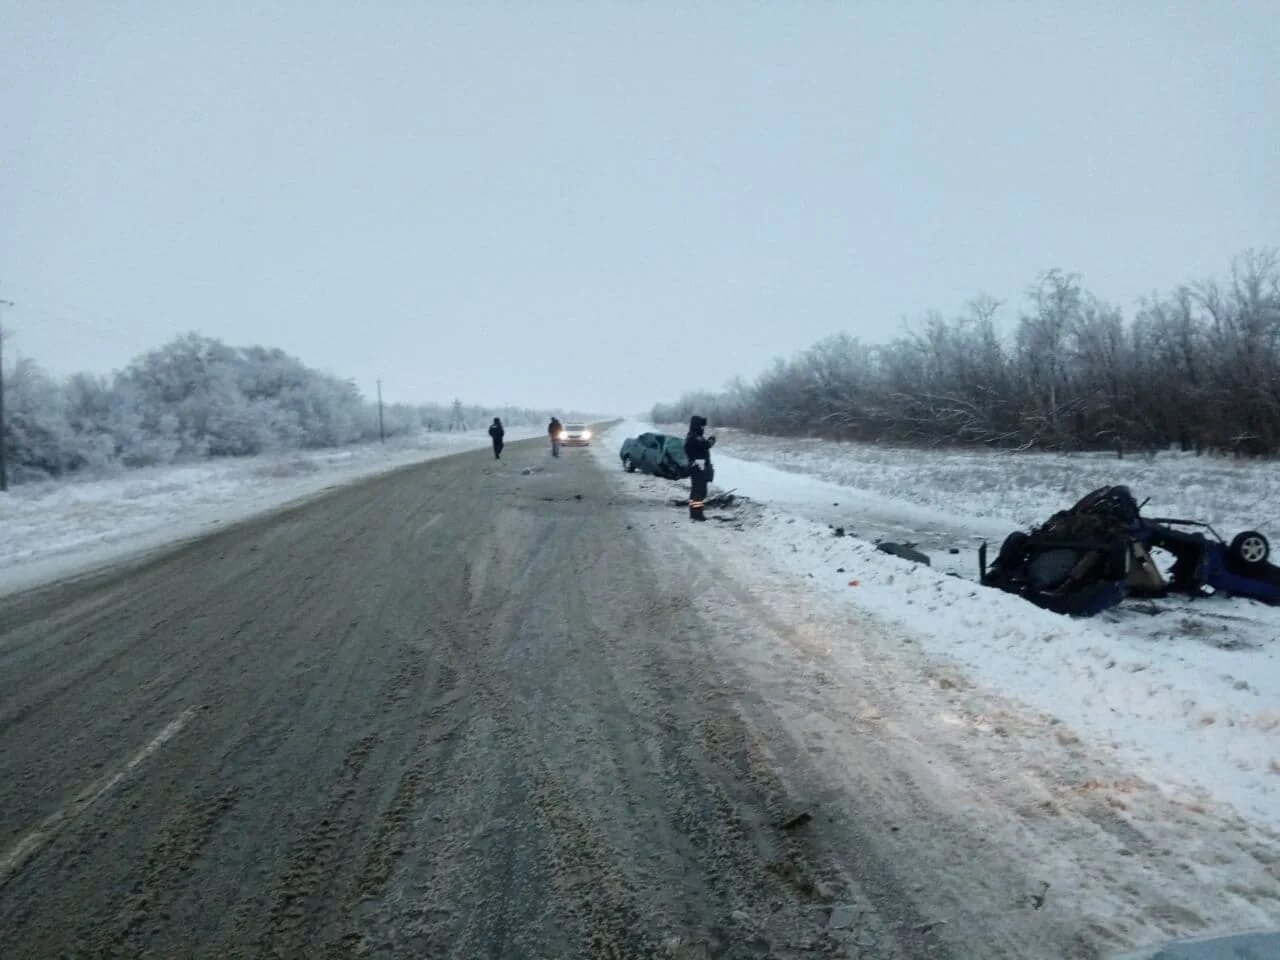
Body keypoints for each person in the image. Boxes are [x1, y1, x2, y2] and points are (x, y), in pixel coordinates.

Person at [684, 415, 716, 521]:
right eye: (702, 426)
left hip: (699, 467)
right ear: (697, 426)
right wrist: (711, 441)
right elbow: (704, 445)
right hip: (697, 467)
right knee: (698, 491)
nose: (703, 428)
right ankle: (697, 514)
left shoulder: (695, 436)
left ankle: (695, 512)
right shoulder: (694, 437)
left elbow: (703, 446)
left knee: (698, 491)